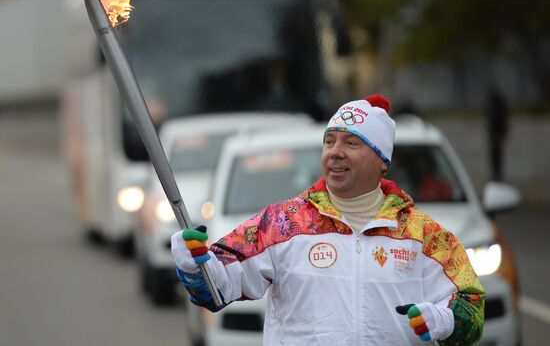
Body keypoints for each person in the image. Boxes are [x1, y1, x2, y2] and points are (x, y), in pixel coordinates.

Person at [171, 94, 485, 345]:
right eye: (329, 141)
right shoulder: (283, 224)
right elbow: (216, 288)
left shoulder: (423, 234)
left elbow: (471, 306)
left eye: (351, 143)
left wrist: (446, 320)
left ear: (382, 161)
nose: (335, 152)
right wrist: (196, 265)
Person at [486, 84, 508, 181]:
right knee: (495, 157)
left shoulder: (497, 105)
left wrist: (502, 132)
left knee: (497, 156)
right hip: (494, 135)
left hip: (497, 135)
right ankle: (496, 174)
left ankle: (497, 174)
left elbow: (502, 120)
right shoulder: (493, 105)